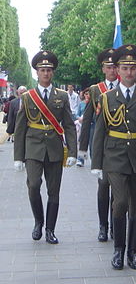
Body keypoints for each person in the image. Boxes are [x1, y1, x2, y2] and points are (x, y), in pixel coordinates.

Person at [91, 44, 136, 270]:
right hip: (115, 157)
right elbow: (100, 131)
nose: (128, 72)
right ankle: (118, 250)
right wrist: (96, 163)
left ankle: (133, 252)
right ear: (118, 70)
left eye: (133, 68)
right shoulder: (106, 97)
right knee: (120, 202)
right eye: (124, 68)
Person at [14, 50, 77, 244]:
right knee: (33, 186)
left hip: (55, 148)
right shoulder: (28, 97)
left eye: (49, 70)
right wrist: (18, 156)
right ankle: (38, 221)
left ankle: (50, 229)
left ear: (53, 72)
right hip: (33, 147)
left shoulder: (62, 96)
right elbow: (20, 127)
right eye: (42, 70)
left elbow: (68, 124)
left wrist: (73, 151)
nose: (46, 73)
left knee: (54, 190)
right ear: (37, 72)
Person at [78, 48, 118, 242]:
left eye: (115, 66)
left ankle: (116, 224)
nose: (112, 70)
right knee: (103, 185)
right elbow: (87, 119)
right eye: (108, 66)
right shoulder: (96, 90)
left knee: (119, 189)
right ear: (103, 69)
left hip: (121, 144)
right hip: (101, 144)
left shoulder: (131, 87)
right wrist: (82, 148)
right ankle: (103, 225)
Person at [75, 88, 90, 167]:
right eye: (86, 94)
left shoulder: (93, 103)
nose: (87, 95)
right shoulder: (81, 104)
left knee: (93, 144)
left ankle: (95, 161)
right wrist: (79, 118)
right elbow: (77, 114)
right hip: (82, 126)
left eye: (89, 94)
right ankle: (80, 160)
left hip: (91, 125)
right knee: (82, 142)